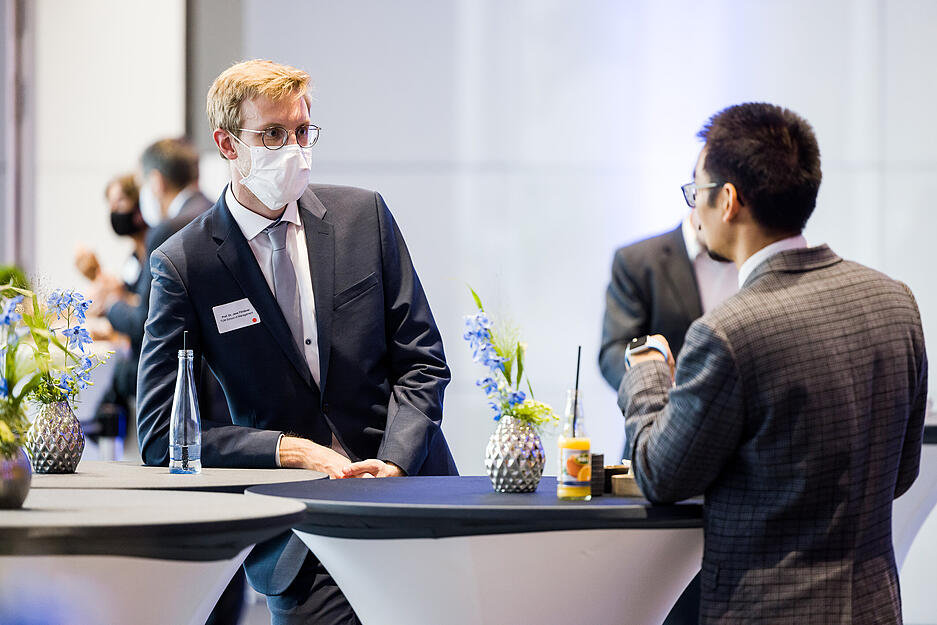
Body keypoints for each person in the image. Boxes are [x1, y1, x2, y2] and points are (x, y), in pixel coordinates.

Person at [136, 59, 457, 625]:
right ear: (227, 144)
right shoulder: (186, 265)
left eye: (303, 131)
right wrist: (286, 449)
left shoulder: (364, 217)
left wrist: (396, 463)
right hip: (298, 539)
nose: (294, 149)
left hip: (414, 505)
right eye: (273, 134)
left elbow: (422, 362)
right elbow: (163, 435)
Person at [618, 102, 927, 623]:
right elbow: (901, 473)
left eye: (697, 192)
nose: (694, 210)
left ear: (729, 200)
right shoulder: (895, 301)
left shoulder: (729, 332)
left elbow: (659, 474)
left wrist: (648, 370)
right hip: (875, 609)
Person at [599, 212, 737, 393]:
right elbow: (614, 352)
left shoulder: (756, 256)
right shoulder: (637, 261)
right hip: (669, 410)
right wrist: (657, 389)